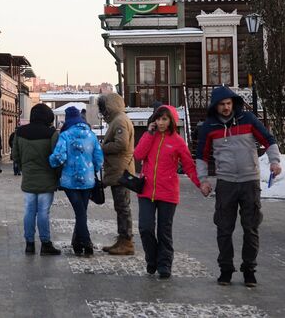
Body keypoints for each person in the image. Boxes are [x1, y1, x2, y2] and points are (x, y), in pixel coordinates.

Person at [196, 86, 281, 287]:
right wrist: (203, 180)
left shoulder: (248, 119)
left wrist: (275, 161)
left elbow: (268, 140)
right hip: (225, 183)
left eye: (228, 103)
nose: (226, 108)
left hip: (249, 182)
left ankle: (249, 270)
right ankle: (226, 269)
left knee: (251, 228)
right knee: (224, 229)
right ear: (215, 106)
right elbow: (201, 155)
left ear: (233, 103)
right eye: (222, 104)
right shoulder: (209, 126)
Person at [134, 105, 203, 279]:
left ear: (171, 120)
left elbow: (188, 165)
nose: (161, 122)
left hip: (168, 192)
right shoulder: (149, 136)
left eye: (164, 119)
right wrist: (149, 134)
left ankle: (164, 264)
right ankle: (152, 258)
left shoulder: (178, 141)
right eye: (158, 119)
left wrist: (200, 184)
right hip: (146, 191)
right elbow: (138, 155)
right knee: (145, 228)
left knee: (164, 231)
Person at [49, 106, 103, 256]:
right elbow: (98, 157)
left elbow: (59, 157)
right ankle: (77, 243)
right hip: (88, 180)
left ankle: (86, 243)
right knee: (81, 212)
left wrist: (51, 161)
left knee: (80, 212)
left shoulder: (65, 135)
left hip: (69, 180)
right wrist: (94, 169)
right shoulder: (91, 135)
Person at [13, 103, 61, 255]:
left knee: (29, 211)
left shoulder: (20, 133)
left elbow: (15, 156)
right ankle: (45, 244)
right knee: (43, 212)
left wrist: (24, 167)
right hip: (47, 179)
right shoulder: (52, 134)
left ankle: (29, 244)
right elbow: (56, 157)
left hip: (28, 178)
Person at [98, 92, 136, 255]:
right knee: (120, 207)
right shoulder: (118, 120)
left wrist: (102, 147)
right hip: (118, 170)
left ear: (110, 106)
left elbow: (121, 144)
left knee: (123, 207)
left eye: (104, 108)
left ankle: (126, 242)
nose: (103, 113)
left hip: (121, 171)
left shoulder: (120, 120)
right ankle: (122, 239)